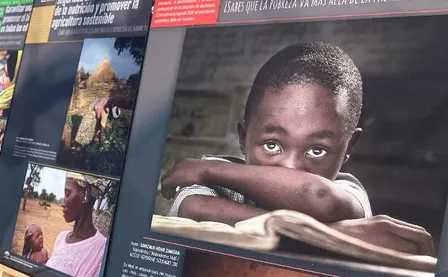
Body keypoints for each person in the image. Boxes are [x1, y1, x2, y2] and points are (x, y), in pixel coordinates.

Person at [160, 42, 436, 254]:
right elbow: (196, 209)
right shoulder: (218, 183)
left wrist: (207, 169)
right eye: (272, 145)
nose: (291, 167)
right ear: (243, 137)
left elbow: (317, 195)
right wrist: (345, 237)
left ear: (349, 147)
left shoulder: (347, 190)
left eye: (317, 150)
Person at [45, 174, 109, 277]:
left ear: (86, 194)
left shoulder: (102, 250)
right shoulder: (61, 238)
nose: (63, 203)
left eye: (67, 194)